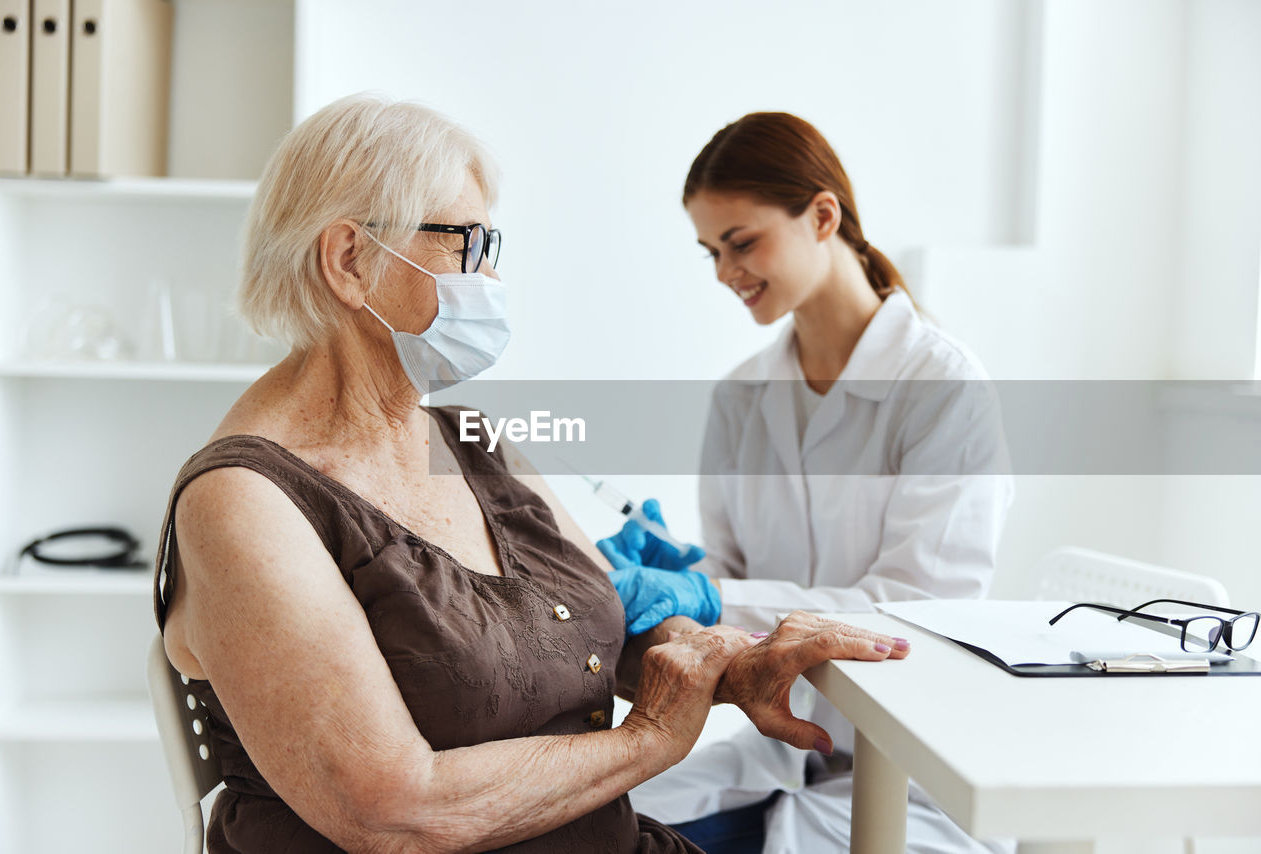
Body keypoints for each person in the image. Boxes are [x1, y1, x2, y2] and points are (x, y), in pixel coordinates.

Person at [151, 95, 913, 854]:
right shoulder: (244, 504)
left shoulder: (473, 440)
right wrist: (647, 738)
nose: (490, 276)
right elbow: (390, 812)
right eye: (469, 243)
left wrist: (726, 659)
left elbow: (606, 633)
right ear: (350, 261)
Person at [598, 112, 1015, 853]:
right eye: (710, 253)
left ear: (824, 216)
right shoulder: (739, 399)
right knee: (592, 825)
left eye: (742, 242)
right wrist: (690, 573)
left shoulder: (944, 389)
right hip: (789, 746)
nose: (726, 273)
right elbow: (733, 580)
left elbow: (916, 614)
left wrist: (714, 596)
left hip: (913, 766)